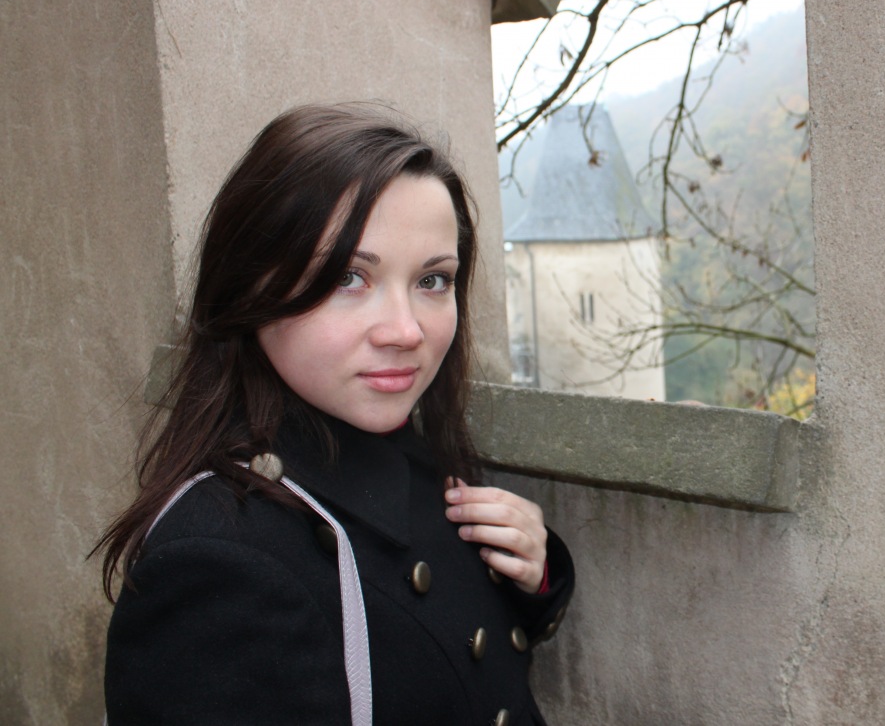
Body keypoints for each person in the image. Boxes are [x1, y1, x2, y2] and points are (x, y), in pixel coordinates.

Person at [95, 104, 573, 725]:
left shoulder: (408, 451)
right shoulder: (217, 561)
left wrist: (535, 572)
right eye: (349, 276)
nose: (406, 331)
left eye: (433, 281)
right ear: (250, 286)